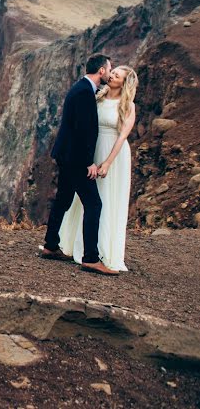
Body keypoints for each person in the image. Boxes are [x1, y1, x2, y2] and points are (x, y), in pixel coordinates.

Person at [40, 54, 117, 276]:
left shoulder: (81, 88)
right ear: (101, 71)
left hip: (67, 156)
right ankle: (91, 258)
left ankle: (50, 245)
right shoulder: (84, 92)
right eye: (109, 69)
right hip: (75, 159)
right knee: (93, 204)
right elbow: (83, 131)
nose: (110, 74)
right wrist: (89, 163)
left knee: (63, 199)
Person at [57, 66, 138, 271]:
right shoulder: (97, 97)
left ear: (124, 83)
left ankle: (103, 251)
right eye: (113, 72)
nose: (112, 76)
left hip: (114, 155)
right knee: (87, 200)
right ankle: (83, 249)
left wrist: (108, 162)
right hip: (92, 153)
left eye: (117, 76)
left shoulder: (127, 105)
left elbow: (122, 137)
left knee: (107, 199)